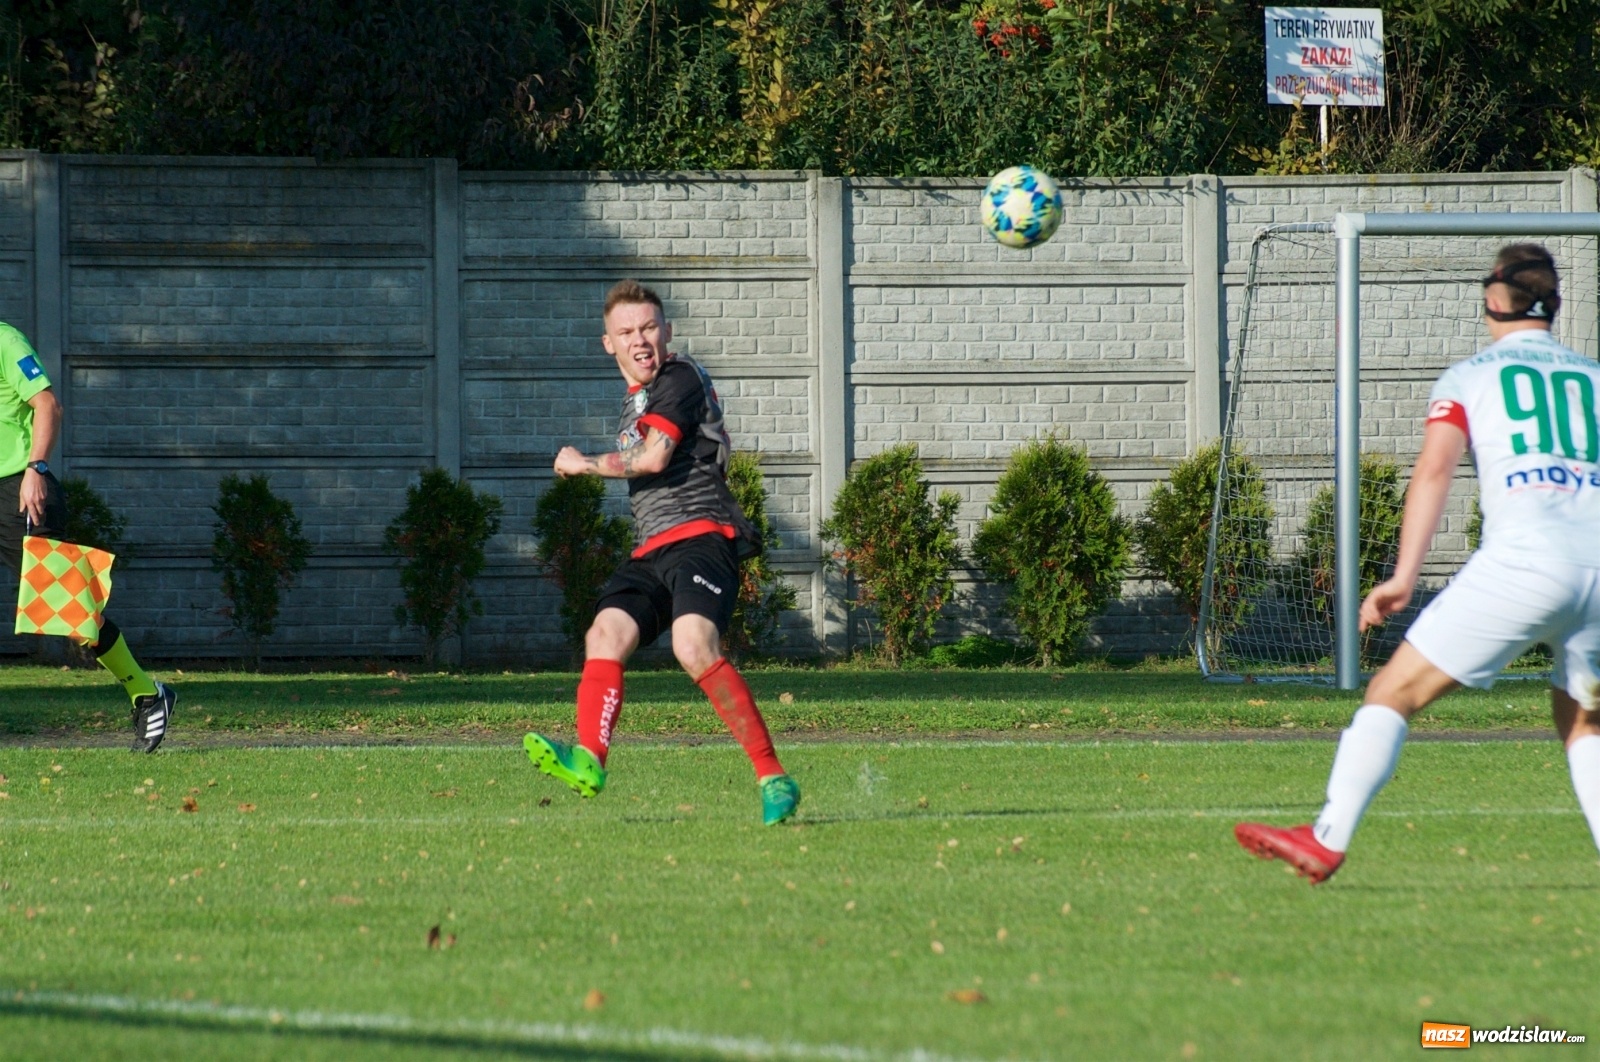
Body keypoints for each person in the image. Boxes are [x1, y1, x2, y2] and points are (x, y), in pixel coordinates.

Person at [1235, 243, 1600, 883]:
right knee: (1585, 719)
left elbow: (1434, 471)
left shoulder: (1470, 377)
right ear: (1555, 304)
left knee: (1393, 691)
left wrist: (1403, 576)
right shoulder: (1593, 377)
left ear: (1491, 299)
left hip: (1526, 562)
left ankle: (1327, 837)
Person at [522, 280, 800, 825]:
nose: (640, 340)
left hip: (702, 538)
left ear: (667, 332)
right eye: (627, 332)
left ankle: (774, 777)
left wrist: (582, 464)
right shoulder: (633, 404)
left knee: (693, 645)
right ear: (609, 344)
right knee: (604, 635)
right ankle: (589, 761)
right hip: (652, 551)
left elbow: (652, 461)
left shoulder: (680, 377)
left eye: (649, 327)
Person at [2, 322, 175, 751]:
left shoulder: (5, 340)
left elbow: (47, 405)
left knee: (68, 610)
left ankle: (147, 694)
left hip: (17, 493)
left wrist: (36, 468)